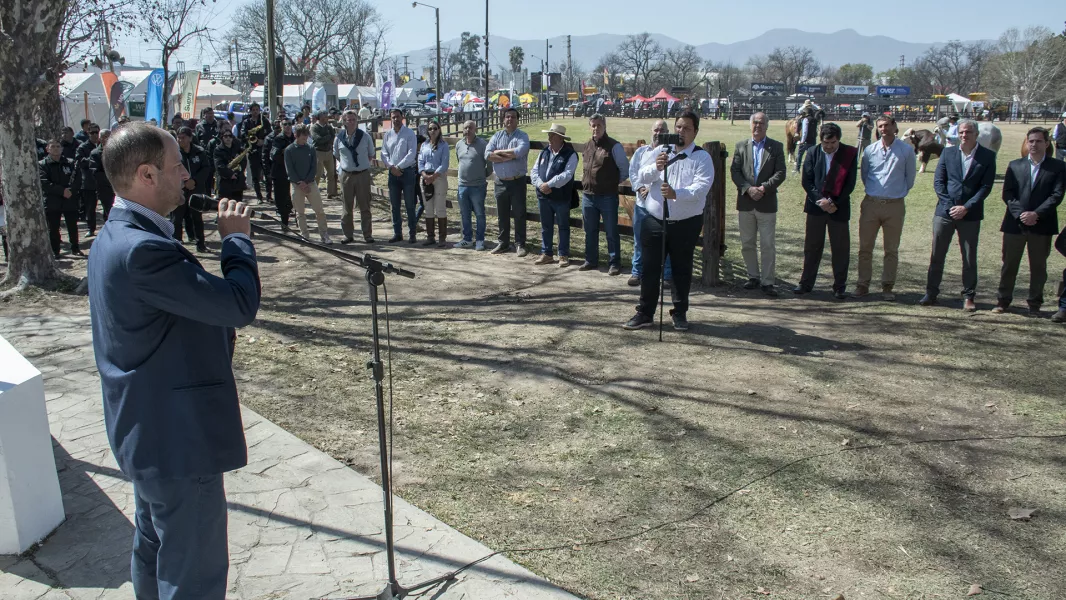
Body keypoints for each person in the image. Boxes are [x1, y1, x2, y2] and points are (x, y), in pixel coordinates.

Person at [87, 122, 260, 600]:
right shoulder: (142, 249)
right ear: (146, 175)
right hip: (177, 441)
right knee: (193, 574)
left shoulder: (118, 234)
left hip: (148, 433)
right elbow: (237, 304)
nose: (187, 175)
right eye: (177, 165)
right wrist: (236, 241)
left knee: (155, 549)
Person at [624, 110, 714, 332]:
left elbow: (701, 188)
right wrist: (657, 166)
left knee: (681, 270)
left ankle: (680, 313)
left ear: (695, 131)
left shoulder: (701, 157)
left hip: (686, 223)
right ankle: (645, 312)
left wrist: (676, 194)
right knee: (650, 268)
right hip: (655, 220)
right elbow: (641, 176)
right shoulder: (661, 151)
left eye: (687, 128)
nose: (681, 131)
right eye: (679, 127)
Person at [919, 119, 996, 311]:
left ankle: (969, 296)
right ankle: (931, 292)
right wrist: (949, 205)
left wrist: (966, 207)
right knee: (937, 254)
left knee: (969, 257)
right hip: (944, 212)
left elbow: (985, 187)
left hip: (970, 214)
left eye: (968, 132)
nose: (964, 135)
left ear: (976, 134)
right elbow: (939, 182)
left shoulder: (987, 156)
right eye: (961, 132)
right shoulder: (948, 152)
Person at [992, 127, 1066, 315]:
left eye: (1038, 141)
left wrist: (1036, 214)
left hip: (1042, 225)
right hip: (1014, 224)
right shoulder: (1015, 165)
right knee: (1009, 264)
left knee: (1038, 266)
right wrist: (1021, 214)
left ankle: (1034, 303)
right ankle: (1003, 300)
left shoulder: (1057, 167)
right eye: (1030, 141)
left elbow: (1056, 195)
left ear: (1047, 143)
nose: (1034, 145)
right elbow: (1007, 193)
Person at [857, 114, 916, 300]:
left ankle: (887, 286)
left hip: (894, 205)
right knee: (865, 247)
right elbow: (865, 175)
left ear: (895, 126)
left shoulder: (906, 151)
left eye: (887, 125)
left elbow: (910, 179)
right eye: (880, 126)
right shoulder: (870, 150)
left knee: (891, 249)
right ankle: (862, 284)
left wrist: (894, 193)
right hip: (871, 204)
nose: (884, 129)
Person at [797, 122, 857, 299]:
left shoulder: (849, 154)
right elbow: (807, 181)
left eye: (833, 143)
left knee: (840, 248)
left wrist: (833, 201)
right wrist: (820, 201)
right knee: (812, 247)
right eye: (826, 143)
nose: (829, 146)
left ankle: (839, 286)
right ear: (820, 140)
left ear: (838, 140)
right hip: (816, 208)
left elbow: (850, 183)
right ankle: (806, 283)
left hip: (838, 207)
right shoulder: (813, 152)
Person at [731, 111, 787, 296]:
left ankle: (767, 281)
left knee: (767, 244)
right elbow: (735, 172)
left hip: (766, 202)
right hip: (746, 203)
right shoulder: (740, 146)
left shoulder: (776, 147)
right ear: (750, 125)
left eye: (762, 123)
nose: (758, 126)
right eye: (755, 122)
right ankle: (753, 276)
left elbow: (780, 173)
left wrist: (763, 188)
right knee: (747, 243)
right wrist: (748, 188)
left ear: (767, 126)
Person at [579, 113, 629, 275]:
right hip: (588, 195)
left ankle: (614, 263)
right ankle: (591, 260)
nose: (596, 128)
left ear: (605, 126)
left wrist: (611, 182)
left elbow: (624, 170)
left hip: (607, 196)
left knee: (611, 231)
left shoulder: (614, 146)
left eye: (599, 125)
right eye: (593, 125)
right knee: (590, 230)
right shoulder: (587, 145)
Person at [629, 120, 672, 287]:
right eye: (656, 129)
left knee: (665, 242)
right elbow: (633, 173)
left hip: (662, 206)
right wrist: (640, 188)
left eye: (662, 130)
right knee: (639, 240)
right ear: (651, 131)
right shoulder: (641, 152)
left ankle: (667, 275)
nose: (658, 132)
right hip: (642, 205)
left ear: (668, 132)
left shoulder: (672, 152)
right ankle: (637, 272)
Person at [531, 123, 578, 267]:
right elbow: (534, 171)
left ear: (560, 138)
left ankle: (563, 255)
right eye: (549, 135)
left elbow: (567, 175)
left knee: (563, 226)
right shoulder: (544, 152)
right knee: (546, 226)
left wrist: (549, 184)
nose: (549, 137)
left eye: (552, 135)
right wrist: (540, 185)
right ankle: (547, 253)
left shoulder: (571, 154)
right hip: (544, 196)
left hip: (561, 197)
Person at [485, 107, 531, 255]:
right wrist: (507, 156)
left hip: (517, 181)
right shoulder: (497, 136)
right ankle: (503, 243)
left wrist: (497, 153)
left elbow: (519, 152)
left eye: (513, 117)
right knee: (502, 214)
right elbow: (487, 154)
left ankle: (520, 244)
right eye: (507, 117)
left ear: (517, 120)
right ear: (503, 119)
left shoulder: (522, 136)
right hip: (500, 182)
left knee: (519, 214)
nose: (509, 119)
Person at [333, 109, 376, 243]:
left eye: (353, 120)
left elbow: (371, 154)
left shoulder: (365, 136)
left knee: (364, 206)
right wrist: (346, 167)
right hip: (346, 175)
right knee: (347, 206)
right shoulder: (339, 138)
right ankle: (348, 235)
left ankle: (367, 234)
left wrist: (361, 165)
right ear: (344, 122)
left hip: (362, 174)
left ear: (357, 121)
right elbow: (336, 155)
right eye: (348, 120)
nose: (351, 122)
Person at [285, 124, 331, 244]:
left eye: (306, 135)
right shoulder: (289, 150)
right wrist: (300, 183)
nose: (305, 138)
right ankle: (304, 235)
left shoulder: (311, 149)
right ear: (296, 135)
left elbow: (313, 167)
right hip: (296, 184)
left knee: (319, 210)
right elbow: (290, 169)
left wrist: (307, 181)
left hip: (310, 183)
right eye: (302, 135)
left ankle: (324, 234)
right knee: (300, 212)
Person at [381, 108, 419, 243]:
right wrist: (391, 167)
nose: (395, 119)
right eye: (393, 117)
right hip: (393, 173)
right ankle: (397, 233)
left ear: (402, 117)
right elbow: (384, 153)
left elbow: (411, 153)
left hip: (407, 172)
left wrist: (399, 167)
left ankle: (412, 233)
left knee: (409, 204)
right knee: (394, 205)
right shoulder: (388, 135)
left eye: (398, 117)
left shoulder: (409, 133)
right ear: (390, 119)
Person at [39, 139, 82, 257]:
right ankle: (55, 250)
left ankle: (75, 247)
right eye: (53, 146)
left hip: (69, 199)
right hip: (53, 200)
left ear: (62, 149)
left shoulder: (71, 163)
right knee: (53, 228)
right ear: (47, 149)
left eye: (58, 146)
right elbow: (45, 183)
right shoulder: (42, 165)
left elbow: (78, 180)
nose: (56, 149)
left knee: (72, 225)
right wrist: (62, 191)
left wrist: (71, 191)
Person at [171, 127, 211, 252]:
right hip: (180, 190)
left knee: (197, 217)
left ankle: (200, 244)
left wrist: (194, 181)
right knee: (177, 219)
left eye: (183, 137)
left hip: (196, 189)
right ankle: (177, 245)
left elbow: (206, 168)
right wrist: (183, 183)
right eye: (178, 137)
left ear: (190, 138)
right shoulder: (173, 153)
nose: (180, 140)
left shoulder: (199, 152)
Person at [454, 120, 490, 250]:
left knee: (480, 214)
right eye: (465, 128)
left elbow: (489, 165)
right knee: (465, 213)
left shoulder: (482, 144)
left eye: (470, 128)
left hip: (478, 186)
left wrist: (480, 175)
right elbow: (459, 160)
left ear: (475, 129)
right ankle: (467, 239)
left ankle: (480, 240)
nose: (467, 130)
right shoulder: (459, 145)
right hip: (462, 185)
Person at [417, 120, 450, 248]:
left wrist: (434, 176)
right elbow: (420, 162)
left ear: (439, 130)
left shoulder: (444, 145)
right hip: (425, 179)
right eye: (430, 129)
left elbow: (444, 164)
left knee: (440, 207)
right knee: (428, 208)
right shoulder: (424, 145)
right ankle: (430, 236)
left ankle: (442, 238)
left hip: (439, 177)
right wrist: (425, 175)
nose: (432, 131)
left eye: (435, 128)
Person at [237, 102, 270, 203]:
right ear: (250, 111)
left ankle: (269, 196)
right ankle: (259, 197)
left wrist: (263, 140)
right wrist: (252, 139)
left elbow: (270, 133)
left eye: (257, 110)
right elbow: (242, 134)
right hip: (252, 151)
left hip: (264, 151)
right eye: (253, 110)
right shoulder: (246, 122)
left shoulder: (264, 121)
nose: (255, 112)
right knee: (255, 176)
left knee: (267, 174)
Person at [267, 120, 296, 231]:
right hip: (280, 173)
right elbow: (273, 155)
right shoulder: (278, 139)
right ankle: (284, 224)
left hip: (293, 173)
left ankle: (296, 221)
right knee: (281, 200)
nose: (288, 126)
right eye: (285, 124)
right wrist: (286, 150)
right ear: (281, 126)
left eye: (289, 124)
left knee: (292, 199)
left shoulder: (294, 138)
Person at [75, 123, 101, 236]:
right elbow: (80, 162)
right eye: (92, 132)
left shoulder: (104, 145)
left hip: (103, 182)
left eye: (97, 132)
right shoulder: (83, 147)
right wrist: (94, 157)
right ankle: (91, 229)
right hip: (89, 182)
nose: (95, 135)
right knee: (90, 208)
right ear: (88, 133)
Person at [213, 128, 247, 201]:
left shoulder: (238, 148)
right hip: (224, 183)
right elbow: (219, 166)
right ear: (222, 137)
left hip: (237, 182)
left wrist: (238, 171)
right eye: (225, 136)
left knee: (237, 205)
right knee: (225, 205)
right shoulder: (218, 150)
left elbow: (243, 161)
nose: (228, 138)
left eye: (230, 136)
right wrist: (230, 174)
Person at [310, 111, 338, 198]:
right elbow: (318, 139)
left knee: (330, 173)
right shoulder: (314, 127)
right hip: (318, 152)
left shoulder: (329, 127)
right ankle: (313, 193)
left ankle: (330, 193)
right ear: (320, 117)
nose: (327, 117)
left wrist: (327, 138)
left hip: (328, 151)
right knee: (317, 174)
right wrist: (328, 137)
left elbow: (333, 136)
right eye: (325, 115)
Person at [89, 129, 115, 222]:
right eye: (103, 137)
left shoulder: (117, 151)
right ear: (99, 138)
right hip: (104, 187)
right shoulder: (95, 153)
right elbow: (95, 172)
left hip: (118, 186)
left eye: (108, 136)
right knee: (109, 209)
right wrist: (111, 179)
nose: (106, 139)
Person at [795, 103, 817, 173]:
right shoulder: (815, 120)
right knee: (812, 156)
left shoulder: (806, 119)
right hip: (813, 140)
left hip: (805, 141)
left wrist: (802, 140)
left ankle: (797, 168)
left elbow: (805, 131)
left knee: (800, 154)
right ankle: (812, 168)